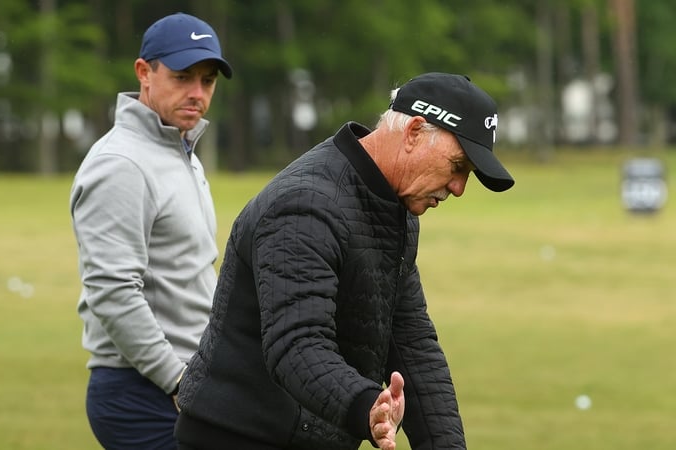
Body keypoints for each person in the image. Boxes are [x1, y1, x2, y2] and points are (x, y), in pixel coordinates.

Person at [174, 72, 515, 450]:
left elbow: (413, 346)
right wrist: (365, 404)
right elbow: (297, 344)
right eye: (457, 166)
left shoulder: (394, 209)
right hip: (238, 437)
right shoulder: (305, 206)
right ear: (415, 132)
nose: (459, 188)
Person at [69, 12, 233, 450]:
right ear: (145, 72)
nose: (197, 93)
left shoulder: (181, 152)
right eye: (182, 77)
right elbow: (112, 289)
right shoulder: (122, 164)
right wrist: (179, 381)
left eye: (208, 80)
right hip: (143, 392)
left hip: (185, 382)